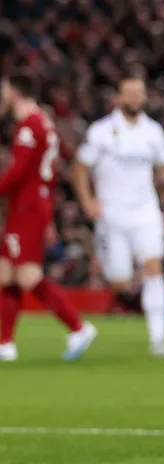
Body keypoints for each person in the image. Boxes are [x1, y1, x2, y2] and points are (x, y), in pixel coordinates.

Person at [71, 75, 164, 359]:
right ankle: (123, 282)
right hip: (112, 214)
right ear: (117, 97)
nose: (136, 98)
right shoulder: (101, 131)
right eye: (130, 93)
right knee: (119, 280)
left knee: (154, 268)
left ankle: (159, 340)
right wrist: (87, 200)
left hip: (144, 211)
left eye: (140, 93)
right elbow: (79, 168)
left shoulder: (153, 131)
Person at [0, 73, 97, 362]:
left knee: (28, 275)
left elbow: (18, 172)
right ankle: (4, 344)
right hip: (33, 204)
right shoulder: (44, 121)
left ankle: (78, 327)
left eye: (4, 90)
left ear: (15, 92)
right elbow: (48, 173)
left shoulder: (29, 125)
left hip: (27, 207)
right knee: (5, 273)